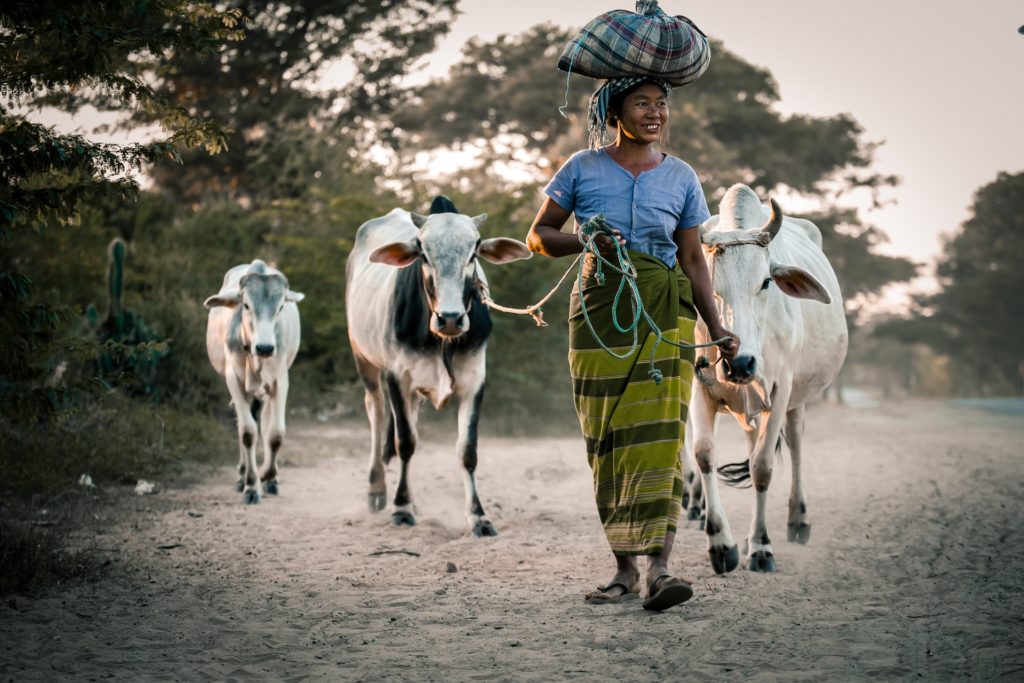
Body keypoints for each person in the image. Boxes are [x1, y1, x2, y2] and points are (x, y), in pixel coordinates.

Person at [526, 76, 739, 611]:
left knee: (661, 438)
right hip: (599, 316)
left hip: (665, 315)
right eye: (642, 102)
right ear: (612, 109)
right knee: (608, 442)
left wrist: (717, 330)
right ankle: (623, 569)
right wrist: (585, 238)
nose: (654, 112)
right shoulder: (581, 168)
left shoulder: (682, 177)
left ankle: (660, 570)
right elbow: (539, 236)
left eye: (661, 103)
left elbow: (692, 260)